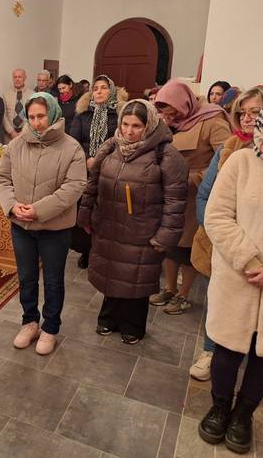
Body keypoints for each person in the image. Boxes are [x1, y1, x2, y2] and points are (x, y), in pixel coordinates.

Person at [198, 86, 263, 454]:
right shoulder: (241, 162)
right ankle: (220, 406)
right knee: (226, 350)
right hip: (237, 277)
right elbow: (217, 215)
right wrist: (249, 261)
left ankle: (244, 414)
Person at [78, 100, 188, 344]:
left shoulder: (165, 155)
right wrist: (85, 214)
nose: (129, 131)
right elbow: (92, 183)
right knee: (111, 274)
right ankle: (108, 318)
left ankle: (133, 325)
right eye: (125, 124)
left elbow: (175, 201)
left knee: (136, 279)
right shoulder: (111, 146)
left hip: (142, 230)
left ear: (149, 125)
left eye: (136, 126)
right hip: (109, 225)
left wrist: (165, 236)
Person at [0, 92, 86, 355]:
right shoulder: (16, 145)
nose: (36, 122)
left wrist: (38, 210)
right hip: (21, 226)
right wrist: (12, 206)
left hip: (54, 228)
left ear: (53, 114)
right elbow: (2, 179)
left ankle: (50, 328)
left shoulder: (71, 148)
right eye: (32, 117)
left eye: (41, 116)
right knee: (26, 278)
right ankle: (30, 322)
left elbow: (74, 186)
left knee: (53, 281)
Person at [189, 86, 263, 381]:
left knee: (256, 310)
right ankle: (210, 351)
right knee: (218, 302)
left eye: (255, 112)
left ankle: (252, 355)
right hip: (223, 243)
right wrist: (218, 235)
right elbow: (205, 196)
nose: (247, 118)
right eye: (242, 113)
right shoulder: (229, 148)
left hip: (262, 249)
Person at [149, 80, 231, 314]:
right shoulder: (171, 122)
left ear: (182, 102)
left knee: (187, 248)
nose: (167, 114)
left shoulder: (212, 120)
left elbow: (227, 160)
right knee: (169, 243)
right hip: (169, 193)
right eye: (163, 110)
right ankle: (169, 288)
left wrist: (196, 178)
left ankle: (183, 294)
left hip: (194, 194)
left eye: (170, 109)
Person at [69, 75, 127, 269]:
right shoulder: (82, 113)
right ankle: (86, 250)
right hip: (84, 169)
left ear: (112, 91)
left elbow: (122, 142)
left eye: (104, 87)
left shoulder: (119, 114)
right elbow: (74, 141)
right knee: (85, 210)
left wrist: (100, 160)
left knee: (105, 212)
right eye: (95, 88)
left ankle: (104, 251)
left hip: (110, 170)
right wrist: (86, 158)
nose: (99, 91)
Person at [2, 68, 29, 143]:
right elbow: (3, 116)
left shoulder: (32, 94)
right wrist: (11, 132)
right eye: (15, 77)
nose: (17, 79)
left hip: (25, 135)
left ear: (25, 78)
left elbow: (31, 116)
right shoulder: (5, 95)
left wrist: (23, 132)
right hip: (9, 136)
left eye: (19, 77)